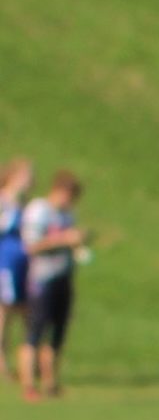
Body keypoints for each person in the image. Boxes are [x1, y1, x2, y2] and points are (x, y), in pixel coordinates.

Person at [19, 170, 88, 400]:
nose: (70, 201)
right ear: (59, 190)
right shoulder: (39, 210)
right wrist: (63, 240)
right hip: (41, 278)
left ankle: (50, 382)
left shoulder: (67, 215)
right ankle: (28, 384)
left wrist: (78, 242)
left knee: (58, 331)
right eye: (69, 195)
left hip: (63, 277)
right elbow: (31, 245)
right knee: (35, 333)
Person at [0, 157, 31, 387]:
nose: (31, 180)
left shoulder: (24, 205)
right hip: (5, 263)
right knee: (4, 315)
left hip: (24, 265)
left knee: (25, 313)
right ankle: (2, 365)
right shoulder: (3, 202)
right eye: (27, 175)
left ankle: (27, 366)